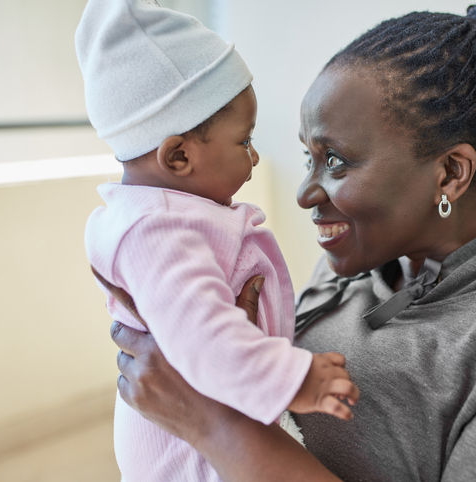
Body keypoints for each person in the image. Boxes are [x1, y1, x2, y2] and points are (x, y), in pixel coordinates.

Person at [105, 0, 476, 480]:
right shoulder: (355, 262)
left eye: (337, 161)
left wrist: (207, 422)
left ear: (449, 173)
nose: (305, 193)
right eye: (310, 157)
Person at [75, 1, 359, 481]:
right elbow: (203, 338)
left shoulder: (167, 218)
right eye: (244, 141)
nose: (253, 157)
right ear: (179, 156)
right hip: (185, 455)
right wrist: (294, 380)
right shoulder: (156, 231)